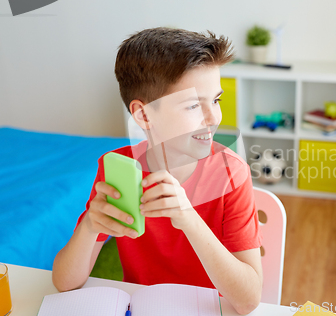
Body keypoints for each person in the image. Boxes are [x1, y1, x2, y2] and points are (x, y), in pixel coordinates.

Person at [52, 27, 263, 315]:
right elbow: (65, 283)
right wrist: (89, 227)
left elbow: (248, 300)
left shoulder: (230, 174)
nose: (214, 118)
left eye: (216, 100)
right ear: (143, 115)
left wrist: (187, 216)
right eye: (193, 106)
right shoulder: (118, 168)